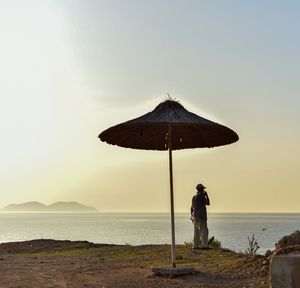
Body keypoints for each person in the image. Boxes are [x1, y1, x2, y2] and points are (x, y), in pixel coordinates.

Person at [190, 183, 210, 249]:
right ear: (201, 189)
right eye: (203, 189)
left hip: (195, 216)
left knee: (196, 232)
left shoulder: (194, 196)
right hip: (201, 216)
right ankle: (204, 245)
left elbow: (191, 208)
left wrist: (192, 216)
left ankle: (195, 245)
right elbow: (208, 203)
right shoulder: (201, 195)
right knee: (204, 230)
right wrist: (206, 195)